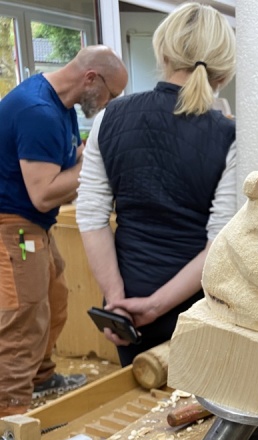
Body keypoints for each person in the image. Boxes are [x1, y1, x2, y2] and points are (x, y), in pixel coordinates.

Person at [76, 2, 237, 367]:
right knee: (197, 401)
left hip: (126, 309)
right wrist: (154, 306)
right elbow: (221, 243)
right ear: (225, 70)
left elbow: (91, 216)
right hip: (198, 307)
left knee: (140, 399)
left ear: (163, 53)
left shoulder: (109, 118)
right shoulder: (229, 135)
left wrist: (116, 298)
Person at [0, 46, 128, 416]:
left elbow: (69, 165)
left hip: (34, 227)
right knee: (23, 318)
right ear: (91, 79)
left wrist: (91, 158)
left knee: (54, 299)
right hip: (14, 228)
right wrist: (95, 163)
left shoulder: (63, 110)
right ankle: (10, 416)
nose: (108, 104)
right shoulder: (38, 111)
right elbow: (43, 194)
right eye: (110, 95)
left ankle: (41, 378)